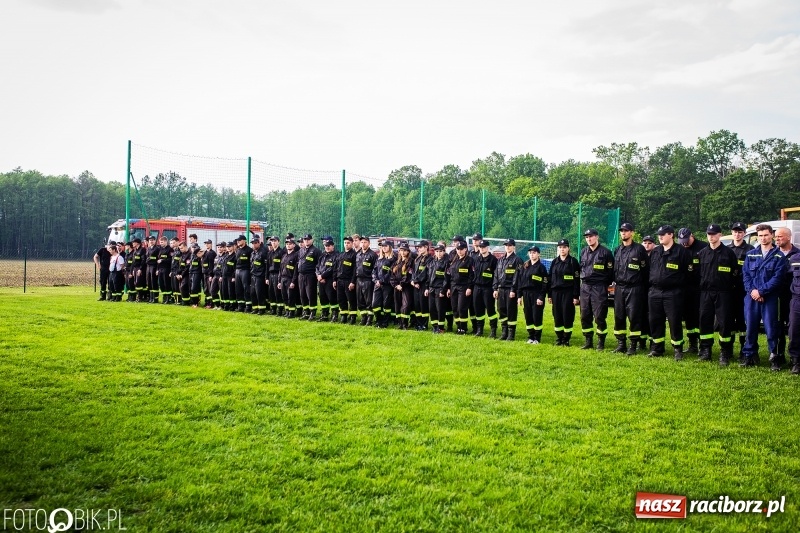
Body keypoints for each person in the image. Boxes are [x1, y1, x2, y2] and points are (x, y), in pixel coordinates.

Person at [742, 224, 788, 367]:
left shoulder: (779, 256)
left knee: (771, 328)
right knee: (750, 327)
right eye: (760, 236)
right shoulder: (751, 254)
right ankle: (750, 355)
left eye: (766, 235)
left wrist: (761, 292)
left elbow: (777, 278)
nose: (763, 238)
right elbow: (746, 276)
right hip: (752, 297)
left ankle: (775, 357)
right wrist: (753, 292)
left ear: (772, 235)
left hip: (770, 297)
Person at [697, 224, 739, 365]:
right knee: (705, 321)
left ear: (720, 235)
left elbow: (735, 273)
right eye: (709, 234)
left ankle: (725, 352)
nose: (711, 236)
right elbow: (697, 274)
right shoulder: (702, 253)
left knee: (725, 322)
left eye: (714, 234)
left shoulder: (728, 253)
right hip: (706, 293)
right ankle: (706, 350)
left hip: (724, 292)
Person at [648, 225, 691, 360]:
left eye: (663, 234)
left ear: (671, 235)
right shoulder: (655, 251)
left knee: (674, 321)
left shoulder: (681, 252)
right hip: (655, 292)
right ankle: (657, 348)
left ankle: (678, 349)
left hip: (673, 293)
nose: (660, 236)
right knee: (655, 320)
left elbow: (688, 273)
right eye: (659, 234)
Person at [612, 223, 649, 355]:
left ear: (632, 233)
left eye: (626, 231)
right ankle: (621, 344)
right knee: (619, 316)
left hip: (635, 288)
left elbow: (646, 271)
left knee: (634, 316)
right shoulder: (617, 250)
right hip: (620, 288)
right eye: (622, 231)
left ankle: (633, 345)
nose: (623, 233)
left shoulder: (639, 249)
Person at [578, 228, 615, 350]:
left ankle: (601, 341)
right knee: (585, 315)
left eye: (591, 236)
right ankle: (588, 340)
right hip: (585, 287)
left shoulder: (606, 253)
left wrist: (604, 285)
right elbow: (581, 269)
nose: (588, 239)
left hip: (599, 287)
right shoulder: (583, 252)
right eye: (587, 237)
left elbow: (611, 272)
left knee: (599, 315)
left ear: (597, 237)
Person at [677, 227, 708, 354]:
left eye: (686, 240)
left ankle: (703, 345)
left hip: (701, 288)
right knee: (689, 318)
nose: (684, 243)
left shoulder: (703, 247)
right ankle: (692, 344)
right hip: (685, 289)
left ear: (692, 236)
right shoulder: (680, 248)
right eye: (681, 241)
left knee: (701, 317)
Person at [728, 222, 755, 362]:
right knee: (729, 321)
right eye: (735, 232)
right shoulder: (726, 249)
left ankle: (744, 350)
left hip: (744, 291)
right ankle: (729, 349)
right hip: (729, 291)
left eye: (740, 232)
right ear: (731, 233)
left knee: (743, 322)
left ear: (744, 233)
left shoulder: (750, 250)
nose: (737, 234)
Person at [774, 227, 800, 370]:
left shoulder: (797, 255)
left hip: (793, 296)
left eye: (780, 237)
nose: (777, 239)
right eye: (776, 237)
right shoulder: (773, 253)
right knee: (777, 326)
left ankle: (794, 358)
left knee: (793, 327)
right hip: (776, 295)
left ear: (789, 237)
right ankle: (778, 356)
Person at [547, 239, 580, 346]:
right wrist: (550, 294)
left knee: (567, 315)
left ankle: (566, 339)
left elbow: (576, 280)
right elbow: (550, 279)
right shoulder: (554, 262)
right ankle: (559, 337)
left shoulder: (573, 262)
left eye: (564, 247)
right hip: (556, 293)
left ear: (568, 248)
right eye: (560, 247)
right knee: (557, 315)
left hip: (568, 292)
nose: (562, 249)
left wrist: (575, 296)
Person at [493, 238, 523, 341]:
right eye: (506, 245)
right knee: (501, 310)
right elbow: (496, 275)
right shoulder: (500, 260)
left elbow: (517, 276)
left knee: (511, 311)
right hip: (501, 290)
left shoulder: (517, 260)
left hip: (510, 290)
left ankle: (511, 334)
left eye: (510, 245)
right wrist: (495, 288)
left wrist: (513, 290)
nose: (508, 247)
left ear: (514, 247)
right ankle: (504, 332)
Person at [519, 245, 548, 344]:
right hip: (526, 294)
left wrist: (541, 296)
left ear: (538, 254)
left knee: (537, 316)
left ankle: (537, 338)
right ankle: (531, 336)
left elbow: (545, 283)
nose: (532, 254)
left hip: (537, 294)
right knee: (528, 316)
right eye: (530, 252)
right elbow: (520, 281)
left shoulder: (541, 267)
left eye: (534, 252)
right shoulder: (525, 266)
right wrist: (519, 296)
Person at [447, 241, 474, 335]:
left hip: (464, 287)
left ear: (465, 249)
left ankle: (463, 327)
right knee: (454, 308)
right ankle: (458, 327)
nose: (459, 251)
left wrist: (469, 287)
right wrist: (449, 288)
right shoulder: (455, 260)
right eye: (458, 249)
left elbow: (472, 275)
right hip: (454, 286)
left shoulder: (470, 260)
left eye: (461, 249)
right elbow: (450, 275)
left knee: (461, 307)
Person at [472, 239, 498, 338]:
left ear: (488, 248)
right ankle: (480, 330)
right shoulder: (477, 259)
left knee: (490, 310)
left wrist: (495, 288)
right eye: (480, 247)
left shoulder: (493, 260)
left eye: (484, 247)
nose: (482, 249)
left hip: (488, 288)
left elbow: (496, 275)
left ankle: (493, 331)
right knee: (478, 310)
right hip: (477, 287)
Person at [372, 240, 396, 328]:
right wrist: (376, 280)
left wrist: (381, 281)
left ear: (390, 247)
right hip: (377, 284)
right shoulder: (379, 258)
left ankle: (385, 322)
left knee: (386, 305)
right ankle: (379, 320)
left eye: (386, 246)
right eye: (382, 246)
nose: (384, 247)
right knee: (375, 304)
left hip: (387, 285)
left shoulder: (393, 258)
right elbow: (374, 270)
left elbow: (390, 273)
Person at [297, 234, 322, 320]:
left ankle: (313, 313)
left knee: (310, 294)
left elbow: (319, 264)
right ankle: (306, 312)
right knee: (302, 294)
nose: (306, 241)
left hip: (310, 275)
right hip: (301, 275)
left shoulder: (316, 251)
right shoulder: (301, 250)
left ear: (312, 240)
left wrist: (317, 274)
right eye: (305, 239)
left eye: (308, 239)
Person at [334, 236, 358, 324]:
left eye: (348, 243)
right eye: (345, 243)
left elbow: (355, 270)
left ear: (352, 243)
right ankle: (343, 316)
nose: (346, 244)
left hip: (349, 281)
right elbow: (336, 268)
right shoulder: (341, 254)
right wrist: (334, 280)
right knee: (341, 299)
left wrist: (352, 282)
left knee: (351, 299)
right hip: (340, 280)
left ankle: (353, 317)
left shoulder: (354, 255)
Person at [391, 243, 415, 330]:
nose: (403, 252)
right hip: (397, 287)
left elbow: (408, 275)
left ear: (408, 251)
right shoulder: (396, 263)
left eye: (405, 250)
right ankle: (400, 323)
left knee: (406, 305)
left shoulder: (411, 262)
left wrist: (401, 285)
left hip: (406, 287)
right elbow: (392, 276)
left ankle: (405, 323)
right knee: (397, 304)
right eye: (401, 250)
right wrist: (396, 285)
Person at [427, 244, 450, 334]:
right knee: (432, 308)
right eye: (437, 251)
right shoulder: (432, 262)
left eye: (440, 251)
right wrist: (427, 287)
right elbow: (428, 276)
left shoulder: (446, 263)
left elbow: (446, 278)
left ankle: (441, 327)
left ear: (444, 252)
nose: (438, 253)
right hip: (431, 288)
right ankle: (434, 326)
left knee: (440, 309)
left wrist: (443, 290)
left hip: (440, 289)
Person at [356, 236, 378, 325]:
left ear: (369, 243)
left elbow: (375, 269)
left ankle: (369, 319)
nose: (363, 244)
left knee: (368, 300)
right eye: (361, 242)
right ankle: (363, 318)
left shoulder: (372, 255)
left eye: (365, 242)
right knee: (360, 300)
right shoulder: (358, 254)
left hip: (368, 280)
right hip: (358, 280)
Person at [411, 240, 432, 330]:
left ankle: (424, 324)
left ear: (426, 247)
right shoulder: (417, 258)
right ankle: (418, 323)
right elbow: (413, 271)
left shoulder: (430, 259)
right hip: (416, 285)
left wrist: (417, 281)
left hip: (423, 284)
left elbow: (426, 273)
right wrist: (413, 280)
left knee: (424, 305)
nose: (418, 249)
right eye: (418, 247)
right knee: (417, 305)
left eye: (420, 247)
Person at [316, 237, 338, 321]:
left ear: (333, 246)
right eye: (326, 246)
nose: (327, 247)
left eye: (329, 246)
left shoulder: (336, 255)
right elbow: (317, 266)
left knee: (332, 298)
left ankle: (335, 314)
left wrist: (322, 276)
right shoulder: (322, 255)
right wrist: (318, 275)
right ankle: (324, 314)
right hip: (321, 280)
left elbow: (332, 268)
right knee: (322, 297)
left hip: (329, 280)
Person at [278, 238, 300, 317]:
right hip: (283, 278)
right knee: (284, 296)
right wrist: (279, 281)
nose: (288, 245)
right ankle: (287, 311)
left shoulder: (296, 256)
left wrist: (293, 281)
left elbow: (296, 271)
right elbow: (281, 269)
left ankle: (291, 312)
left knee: (291, 296)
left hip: (290, 279)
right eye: (287, 244)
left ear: (294, 245)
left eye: (290, 244)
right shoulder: (284, 256)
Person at [787, 248, 800, 374]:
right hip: (797, 299)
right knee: (794, 330)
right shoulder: (795, 259)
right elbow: (787, 278)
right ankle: (796, 361)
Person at [266, 236, 285, 315]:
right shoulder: (269, 253)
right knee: (271, 292)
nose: (273, 243)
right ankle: (273, 309)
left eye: (275, 241)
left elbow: (282, 266)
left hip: (278, 274)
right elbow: (267, 266)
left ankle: (280, 309)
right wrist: (266, 277)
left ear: (278, 242)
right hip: (271, 275)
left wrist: (280, 278)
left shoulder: (281, 252)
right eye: (272, 241)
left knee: (278, 292)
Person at [234, 234, 252, 312]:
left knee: (246, 288)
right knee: (238, 289)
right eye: (237, 240)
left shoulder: (249, 250)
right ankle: (240, 306)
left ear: (244, 241)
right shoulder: (238, 250)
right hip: (238, 271)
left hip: (245, 271)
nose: (238, 242)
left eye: (240, 240)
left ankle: (248, 306)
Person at [249, 237, 268, 314]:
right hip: (253, 275)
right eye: (253, 243)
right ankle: (255, 308)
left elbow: (266, 265)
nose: (254, 245)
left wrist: (264, 276)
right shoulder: (253, 253)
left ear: (259, 243)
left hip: (260, 275)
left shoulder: (263, 252)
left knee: (259, 292)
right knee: (253, 293)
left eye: (255, 243)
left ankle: (262, 308)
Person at [156, 236, 173, 304]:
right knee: (161, 283)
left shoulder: (170, 249)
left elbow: (171, 259)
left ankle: (168, 298)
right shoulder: (160, 249)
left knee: (167, 284)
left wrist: (162, 260)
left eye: (162, 242)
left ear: (166, 241)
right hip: (160, 269)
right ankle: (164, 296)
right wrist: (157, 269)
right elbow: (158, 260)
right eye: (160, 242)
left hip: (166, 269)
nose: (161, 243)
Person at [220, 242, 236, 311]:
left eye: (230, 246)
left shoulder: (235, 256)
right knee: (224, 291)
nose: (228, 248)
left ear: (233, 247)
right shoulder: (225, 256)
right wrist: (221, 276)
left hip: (230, 276)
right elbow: (222, 267)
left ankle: (232, 306)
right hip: (224, 276)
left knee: (231, 291)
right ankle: (226, 305)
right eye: (227, 247)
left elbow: (235, 268)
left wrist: (233, 276)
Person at [201, 239, 217, 308]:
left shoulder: (212, 253)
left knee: (210, 289)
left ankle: (211, 303)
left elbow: (211, 265)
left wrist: (211, 274)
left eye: (208, 243)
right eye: (205, 244)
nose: (206, 245)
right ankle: (207, 302)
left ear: (211, 244)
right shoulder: (204, 253)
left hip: (209, 274)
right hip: (204, 273)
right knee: (206, 289)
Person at [210, 242, 225, 309]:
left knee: (222, 292)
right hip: (215, 276)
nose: (219, 248)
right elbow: (214, 266)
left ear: (224, 248)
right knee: (212, 291)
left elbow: (225, 268)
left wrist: (221, 276)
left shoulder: (225, 256)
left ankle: (222, 305)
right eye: (218, 247)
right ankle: (217, 304)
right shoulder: (216, 256)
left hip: (221, 276)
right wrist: (211, 275)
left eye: (221, 247)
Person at [144, 235, 160, 303]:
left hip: (154, 266)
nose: (151, 241)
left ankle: (155, 298)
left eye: (153, 240)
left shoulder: (157, 249)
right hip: (148, 267)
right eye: (150, 240)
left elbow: (157, 259)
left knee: (154, 282)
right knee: (149, 282)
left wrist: (157, 269)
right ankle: (151, 297)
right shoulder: (148, 248)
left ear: (155, 241)